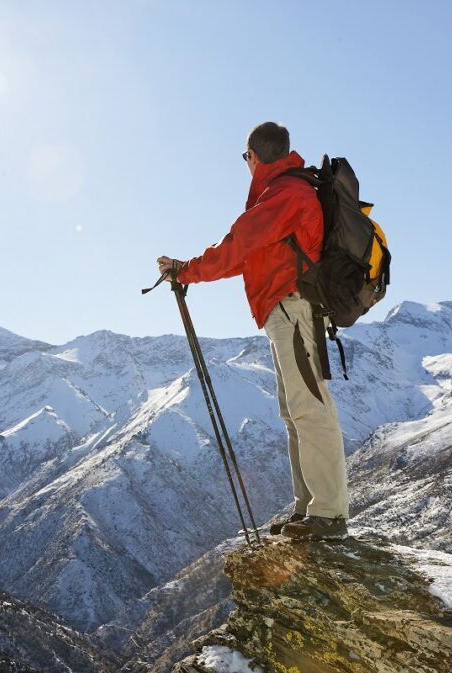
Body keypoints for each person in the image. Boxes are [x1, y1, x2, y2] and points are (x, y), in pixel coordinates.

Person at [157, 122, 348, 540]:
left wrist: (187, 269)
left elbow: (238, 245)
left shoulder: (285, 195)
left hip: (293, 309)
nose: (246, 165)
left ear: (255, 157)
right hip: (286, 310)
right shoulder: (283, 193)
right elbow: (247, 255)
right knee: (295, 411)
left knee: (308, 409)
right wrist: (190, 270)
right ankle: (309, 509)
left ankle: (329, 515)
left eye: (245, 157)